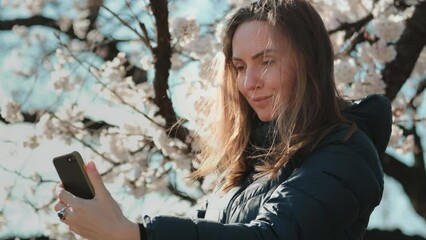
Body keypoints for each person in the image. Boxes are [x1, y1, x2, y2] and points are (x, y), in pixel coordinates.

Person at [54, 0, 392, 239]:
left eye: (267, 61)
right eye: (240, 67)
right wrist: (115, 225)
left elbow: (272, 236)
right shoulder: (238, 177)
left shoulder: (345, 153)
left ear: (308, 63)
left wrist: (135, 235)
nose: (249, 83)